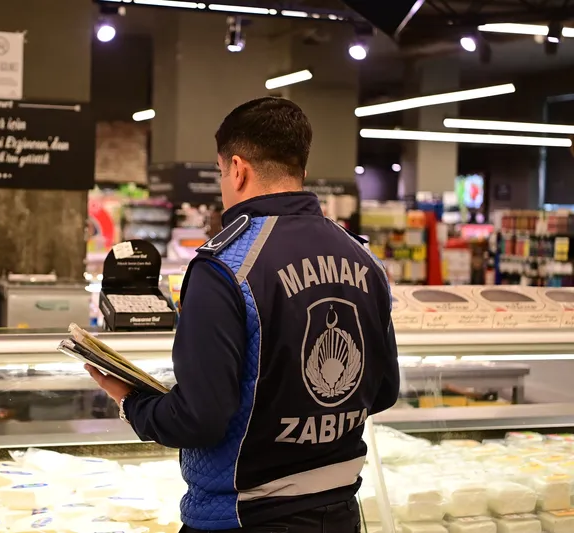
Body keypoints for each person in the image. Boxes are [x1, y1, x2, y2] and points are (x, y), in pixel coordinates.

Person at [86, 96, 399, 533]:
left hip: (244, 517)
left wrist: (131, 401)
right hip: (341, 511)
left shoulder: (225, 266)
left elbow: (200, 418)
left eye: (219, 173)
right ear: (301, 168)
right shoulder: (365, 261)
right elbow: (383, 391)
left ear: (237, 168)